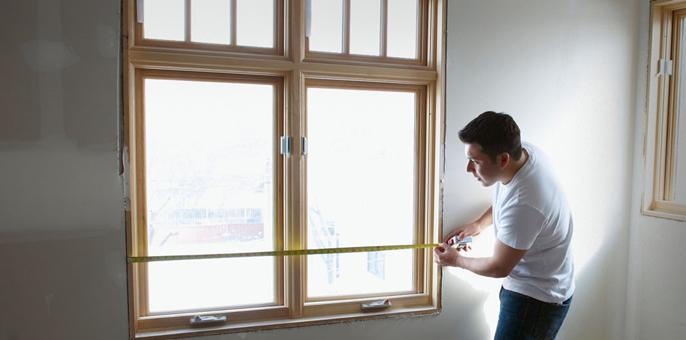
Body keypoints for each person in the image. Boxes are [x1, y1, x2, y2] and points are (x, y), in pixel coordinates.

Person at [433, 111, 574, 340]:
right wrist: (479, 224)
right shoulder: (525, 154)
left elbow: (499, 267)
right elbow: (508, 196)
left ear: (503, 159)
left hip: (536, 300)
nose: (469, 168)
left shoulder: (526, 203)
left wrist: (455, 260)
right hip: (542, 287)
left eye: (476, 161)